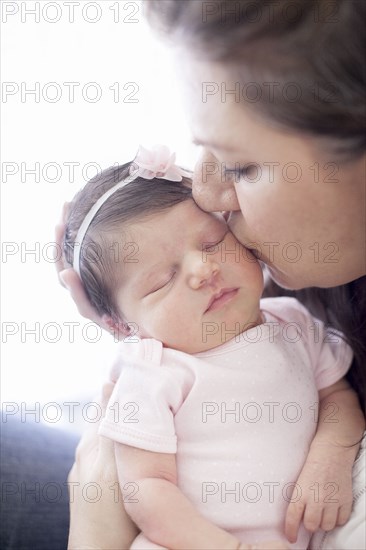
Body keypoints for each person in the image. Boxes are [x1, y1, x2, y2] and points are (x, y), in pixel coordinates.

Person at [63, 145, 363, 550]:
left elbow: (337, 396)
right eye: (161, 281)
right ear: (121, 326)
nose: (203, 271)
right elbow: (145, 489)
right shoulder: (155, 371)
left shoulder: (292, 320)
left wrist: (331, 456)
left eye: (211, 242)